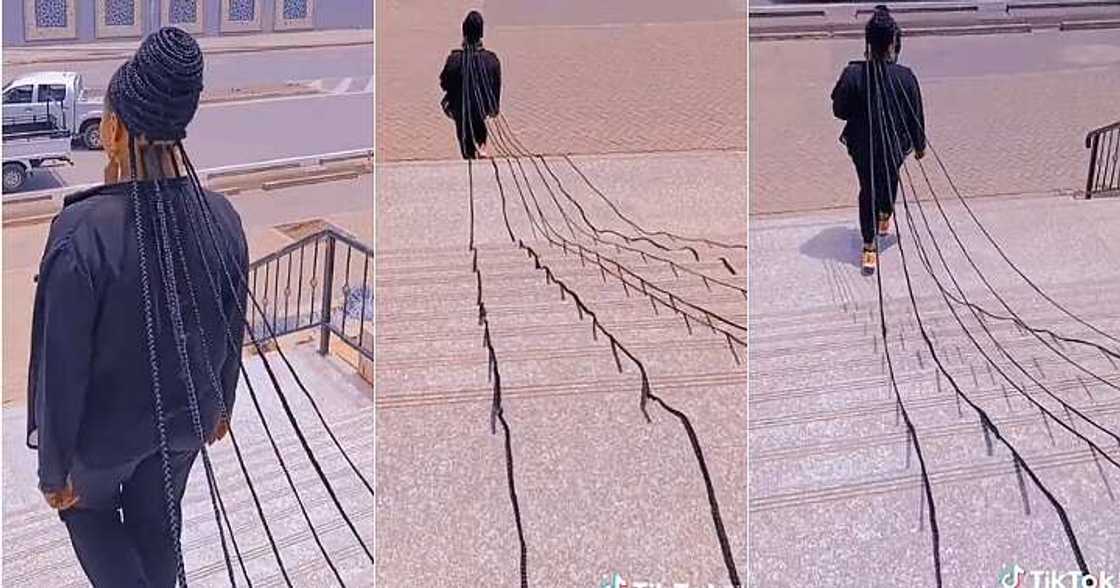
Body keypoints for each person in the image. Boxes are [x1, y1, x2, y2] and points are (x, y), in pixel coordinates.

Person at [26, 27, 248, 587]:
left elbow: (61, 366)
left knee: (91, 514)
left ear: (116, 128)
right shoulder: (221, 217)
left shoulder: (81, 234)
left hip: (101, 444)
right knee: (158, 521)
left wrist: (54, 470)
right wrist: (221, 405)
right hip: (187, 423)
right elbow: (231, 323)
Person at [831, 5, 926, 275]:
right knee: (889, 177)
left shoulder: (853, 74)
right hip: (896, 145)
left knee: (868, 188)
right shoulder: (905, 76)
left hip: (861, 145)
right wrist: (919, 146)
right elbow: (916, 114)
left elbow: (839, 110)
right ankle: (882, 218)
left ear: (868, 42)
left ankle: (870, 243)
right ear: (893, 42)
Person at [440, 10, 502, 159]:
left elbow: (444, 83)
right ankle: (481, 145)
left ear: (464, 33)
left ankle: (471, 152)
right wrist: (494, 108)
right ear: (481, 34)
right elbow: (496, 87)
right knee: (478, 119)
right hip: (484, 108)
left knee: (465, 133)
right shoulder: (492, 60)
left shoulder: (454, 60)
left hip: (460, 109)